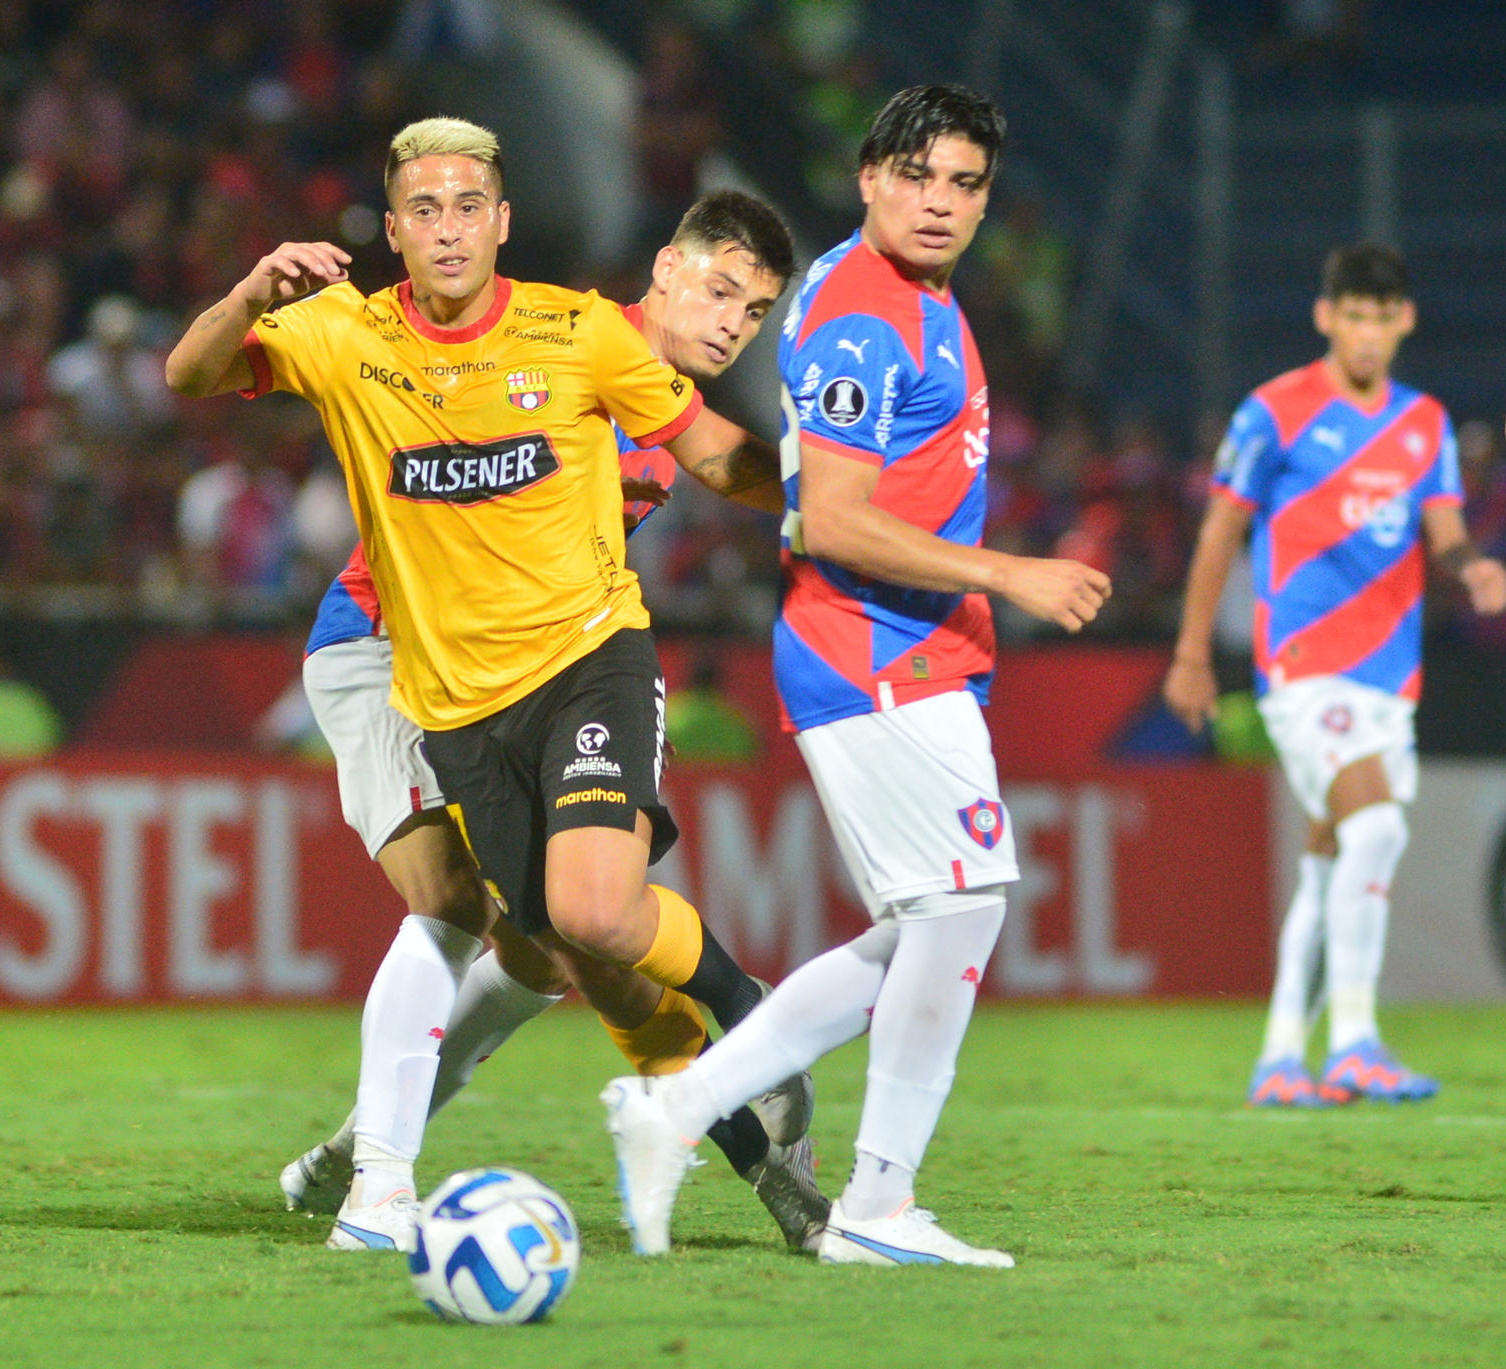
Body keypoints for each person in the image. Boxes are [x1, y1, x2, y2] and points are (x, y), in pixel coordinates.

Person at [167, 119, 796, 1251]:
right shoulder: (574, 340)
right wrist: (258, 288)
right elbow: (197, 374)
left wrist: (831, 500)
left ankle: (362, 1141)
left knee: (549, 946)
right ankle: (381, 1181)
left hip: (523, 673)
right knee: (462, 907)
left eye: (753, 314)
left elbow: (715, 458)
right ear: (666, 272)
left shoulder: (631, 390)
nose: (730, 327)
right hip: (383, 647)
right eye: (721, 297)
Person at [601, 84, 1112, 1268]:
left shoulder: (916, 298)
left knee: (927, 923)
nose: (940, 202)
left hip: (918, 650)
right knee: (959, 908)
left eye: (966, 184)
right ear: (872, 176)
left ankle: (676, 1110)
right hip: (868, 646)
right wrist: (1012, 575)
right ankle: (877, 1206)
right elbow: (828, 519)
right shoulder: (862, 319)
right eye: (920, 176)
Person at [1163, 243, 1506, 1107]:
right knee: (1379, 829)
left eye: (1381, 316)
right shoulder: (1274, 412)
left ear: (1405, 321)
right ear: (1326, 317)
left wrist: (1473, 569)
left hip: (1391, 678)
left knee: (1330, 858)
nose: (1366, 332)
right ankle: (1354, 1039)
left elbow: (1445, 529)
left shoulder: (1423, 422)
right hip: (1306, 666)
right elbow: (1219, 533)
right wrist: (1193, 652)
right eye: (1352, 314)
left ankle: (1281, 1056)